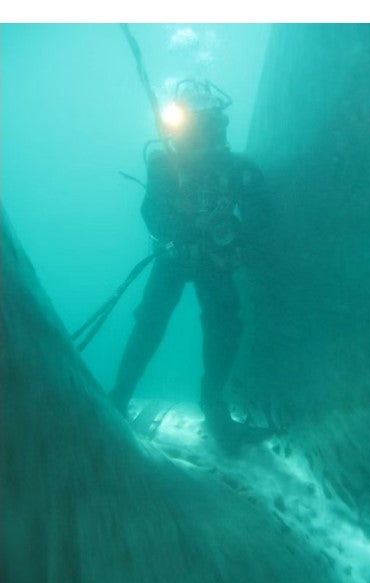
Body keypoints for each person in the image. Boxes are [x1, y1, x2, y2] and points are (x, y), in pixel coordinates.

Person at [109, 80, 267, 449]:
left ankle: (211, 406)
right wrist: (182, 232)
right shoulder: (165, 164)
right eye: (194, 125)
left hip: (212, 258)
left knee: (222, 326)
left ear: (219, 125)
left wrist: (236, 237)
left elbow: (260, 216)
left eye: (208, 124)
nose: (201, 133)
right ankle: (120, 396)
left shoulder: (238, 169)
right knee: (152, 323)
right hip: (177, 256)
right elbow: (152, 211)